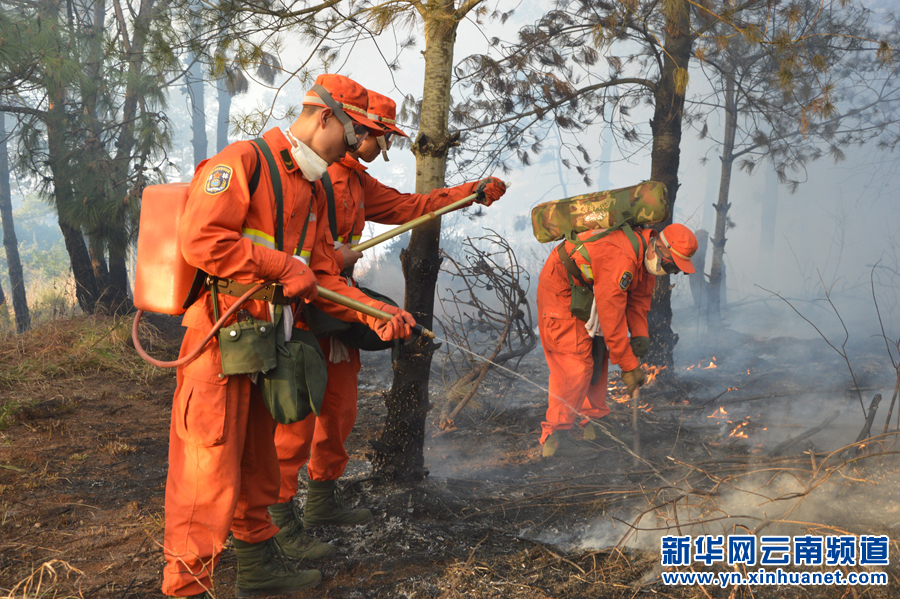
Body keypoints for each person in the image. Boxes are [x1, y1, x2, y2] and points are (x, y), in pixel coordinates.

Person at [162, 74, 416, 599]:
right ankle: (186, 588)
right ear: (325, 117)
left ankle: (256, 568)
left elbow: (320, 271)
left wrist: (377, 314)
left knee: (259, 461)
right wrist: (280, 264)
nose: (354, 148)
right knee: (204, 473)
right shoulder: (244, 162)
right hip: (218, 340)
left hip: (267, 343)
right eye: (352, 135)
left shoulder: (315, 184)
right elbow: (201, 240)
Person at [270, 89, 507, 536]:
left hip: (343, 307)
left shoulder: (356, 181)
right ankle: (278, 521)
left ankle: (321, 501)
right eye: (378, 137)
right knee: (296, 419)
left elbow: (408, 207)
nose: (381, 148)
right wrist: (330, 261)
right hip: (304, 310)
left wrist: (467, 194)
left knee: (338, 413)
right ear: (350, 127)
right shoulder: (310, 176)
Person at [537, 222, 698, 458]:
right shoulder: (621, 255)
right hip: (561, 292)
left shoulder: (643, 255)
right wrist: (629, 366)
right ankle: (556, 439)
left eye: (674, 269)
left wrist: (640, 334)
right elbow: (611, 317)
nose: (669, 271)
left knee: (598, 353)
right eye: (670, 265)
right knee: (575, 364)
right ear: (660, 247)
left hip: (587, 292)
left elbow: (639, 300)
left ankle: (595, 424)